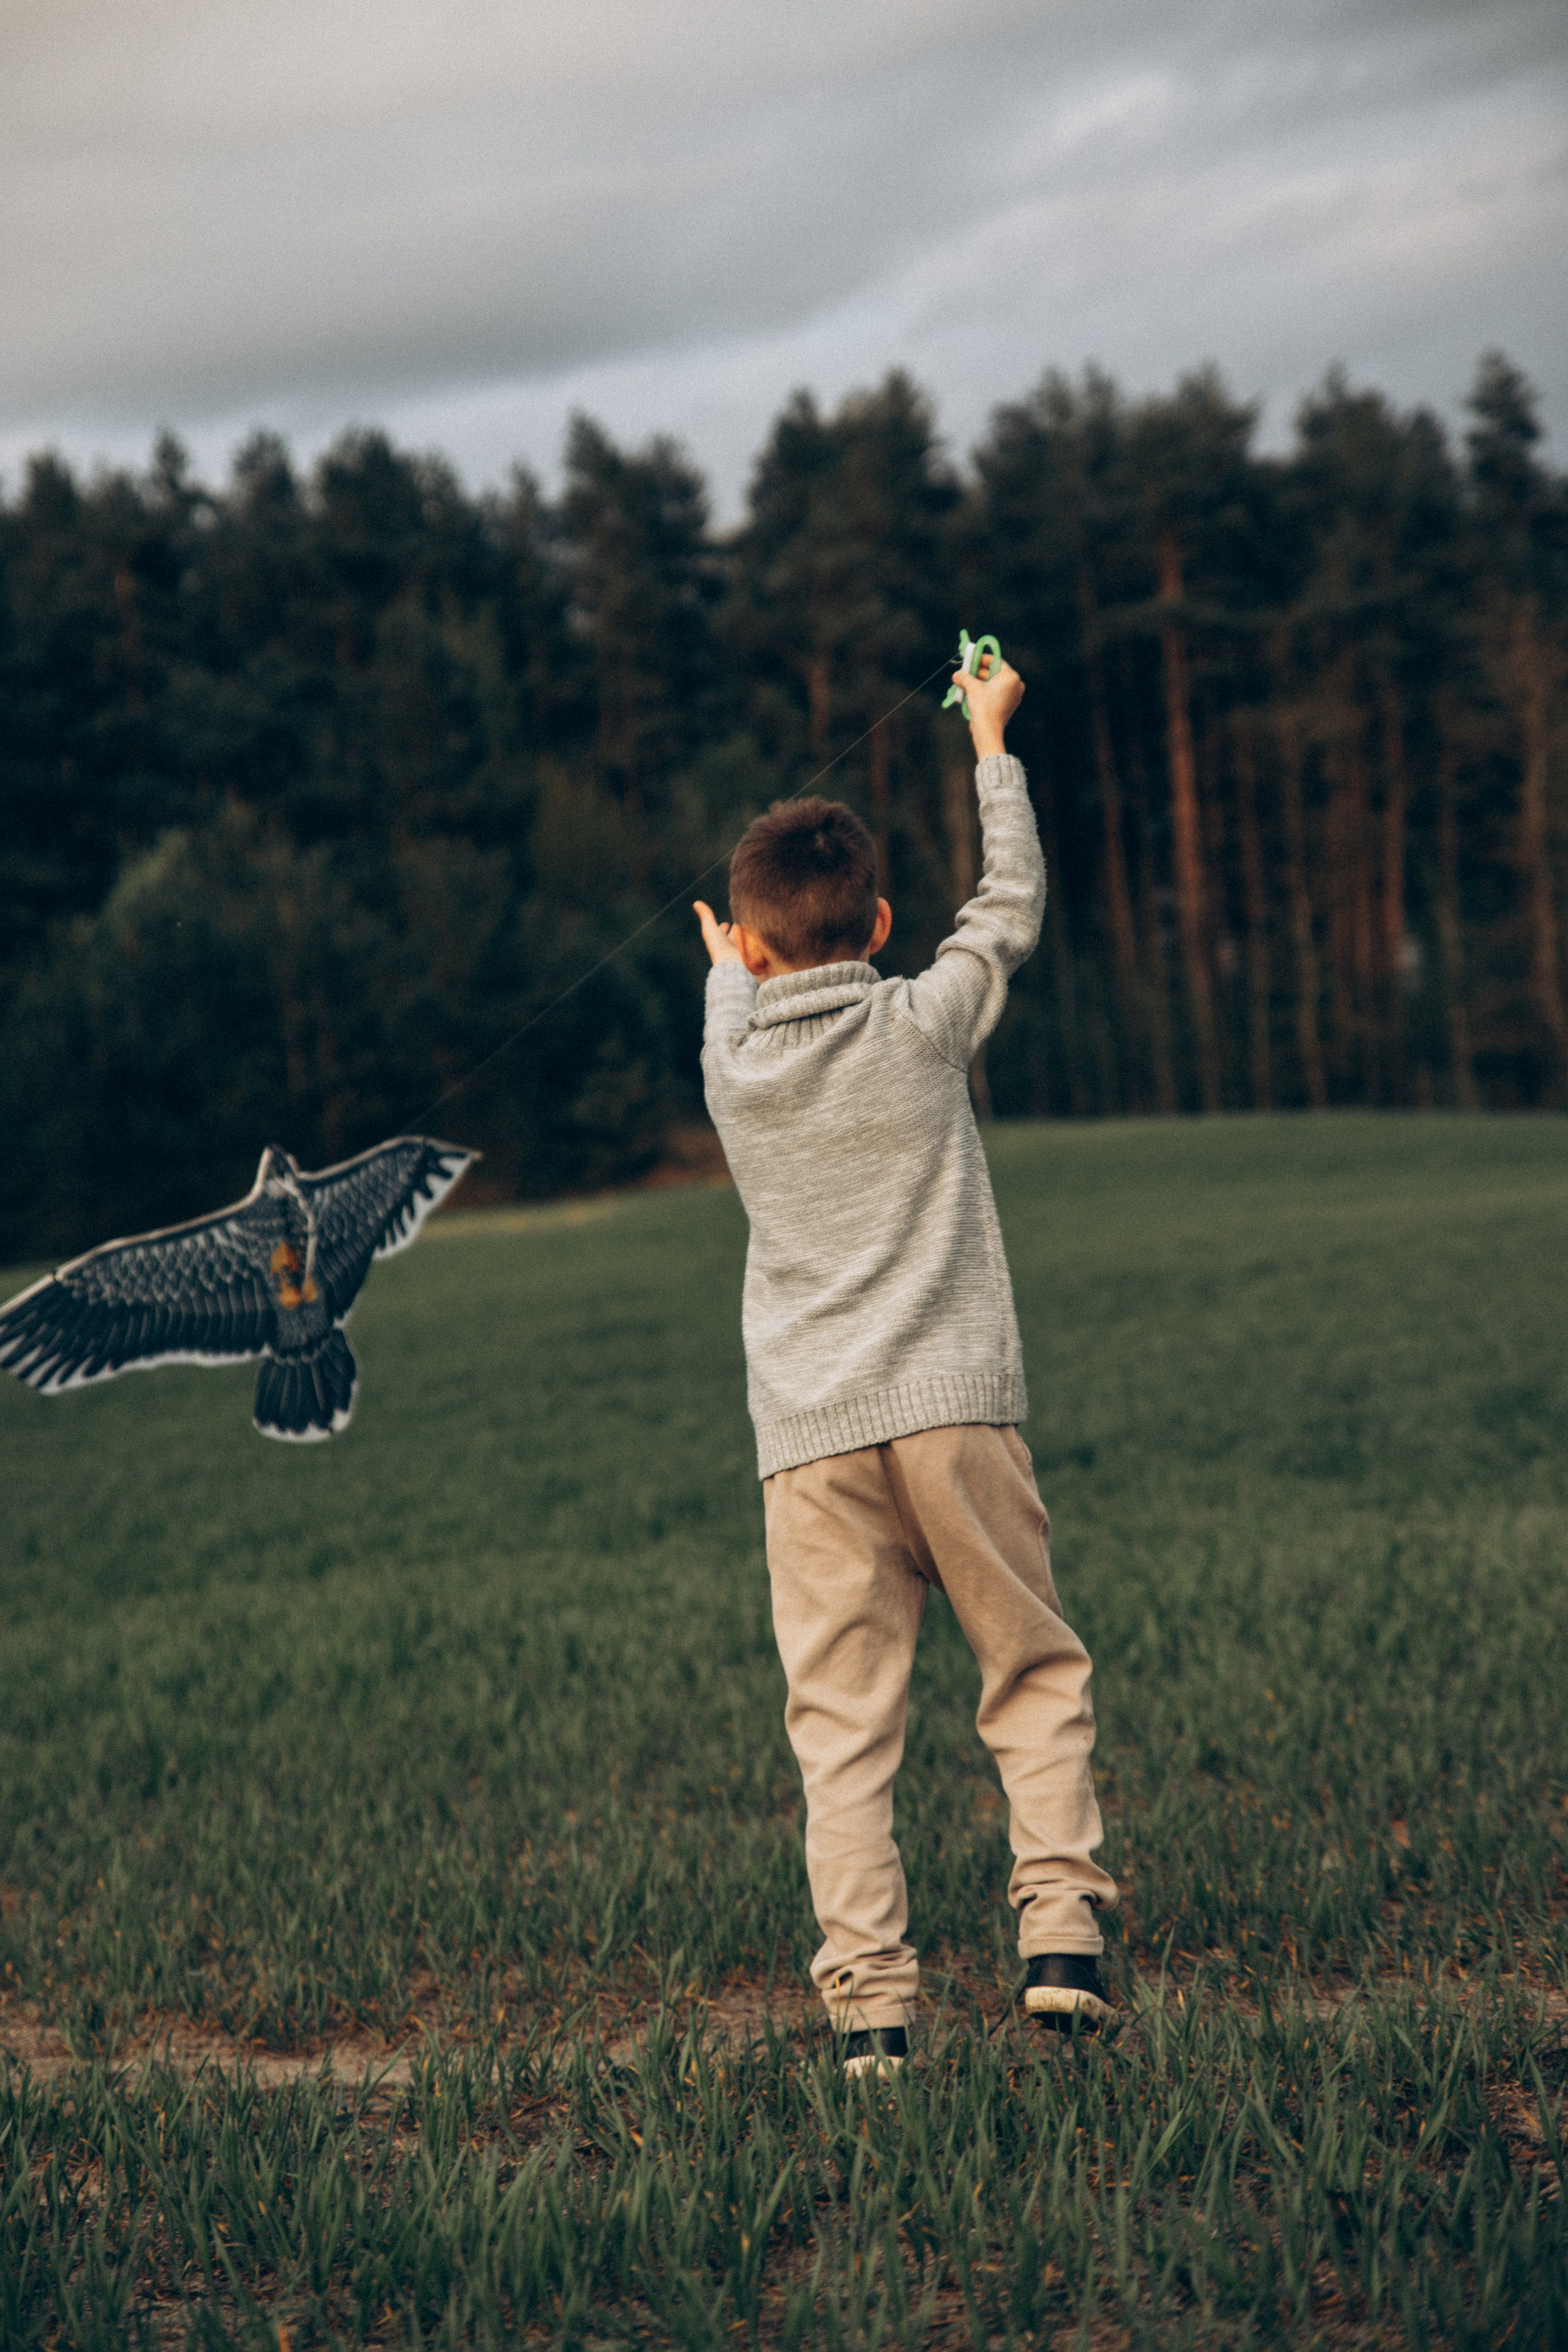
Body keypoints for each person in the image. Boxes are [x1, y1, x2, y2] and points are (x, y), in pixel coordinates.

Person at [694, 653, 1118, 2077]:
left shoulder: (732, 1067)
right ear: (877, 923)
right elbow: (1005, 911)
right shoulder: (923, 1022)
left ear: (745, 953)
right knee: (1029, 1667)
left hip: (807, 1443)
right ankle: (1059, 1938)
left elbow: (732, 1010)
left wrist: (722, 972)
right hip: (954, 1412)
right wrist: (988, 739)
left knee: (840, 1731)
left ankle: (871, 2009)